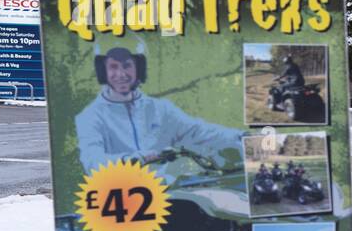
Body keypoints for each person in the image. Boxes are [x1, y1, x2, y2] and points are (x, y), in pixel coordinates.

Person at [76, 45, 242, 174]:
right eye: (113, 67)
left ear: (138, 68)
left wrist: (242, 137)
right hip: (119, 196)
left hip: (166, 193)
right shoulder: (90, 117)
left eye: (127, 66)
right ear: (103, 71)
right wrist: (135, 159)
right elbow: (93, 161)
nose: (121, 74)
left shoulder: (160, 109)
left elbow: (200, 132)